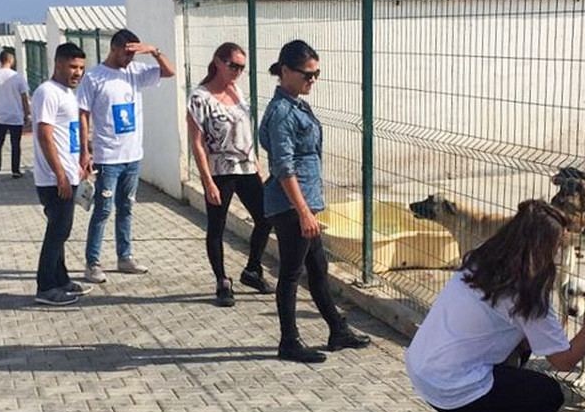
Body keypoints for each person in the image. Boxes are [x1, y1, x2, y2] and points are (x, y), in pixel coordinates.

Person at [404, 200, 585, 412]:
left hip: (421, 370)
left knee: (526, 342)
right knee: (549, 395)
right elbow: (564, 361)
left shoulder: (482, 255)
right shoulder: (526, 291)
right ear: (544, 248)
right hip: (450, 390)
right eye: (557, 245)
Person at [258, 40, 371, 363]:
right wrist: (304, 212)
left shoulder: (297, 104)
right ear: (284, 71)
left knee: (318, 267)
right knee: (292, 273)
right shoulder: (282, 112)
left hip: (303, 203)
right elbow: (283, 167)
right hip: (292, 206)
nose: (313, 80)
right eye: (307, 74)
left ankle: (337, 329)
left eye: (316, 73)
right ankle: (289, 342)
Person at [76, 29, 175, 284]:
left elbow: (169, 72)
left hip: (133, 155)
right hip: (108, 157)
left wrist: (154, 51)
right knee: (103, 210)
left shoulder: (135, 72)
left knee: (127, 207)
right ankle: (92, 262)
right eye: (127, 53)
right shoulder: (95, 77)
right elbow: (83, 114)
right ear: (114, 48)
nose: (130, 58)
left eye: (133, 53)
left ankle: (125, 256)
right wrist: (84, 151)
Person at [187, 43, 274, 307]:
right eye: (232, 65)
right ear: (217, 62)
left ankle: (252, 269)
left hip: (246, 167)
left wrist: (257, 164)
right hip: (220, 171)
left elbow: (245, 130)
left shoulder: (237, 91)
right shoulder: (200, 97)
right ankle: (222, 281)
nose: (237, 72)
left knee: (266, 217)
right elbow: (197, 142)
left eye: (241, 67)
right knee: (217, 226)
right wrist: (207, 180)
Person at [32, 43, 92, 306]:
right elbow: (44, 134)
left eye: (81, 68)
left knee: (60, 231)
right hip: (54, 179)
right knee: (58, 232)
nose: (77, 72)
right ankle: (46, 287)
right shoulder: (47, 92)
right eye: (72, 67)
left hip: (69, 173)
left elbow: (68, 131)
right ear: (57, 65)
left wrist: (83, 157)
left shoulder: (67, 92)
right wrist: (60, 175)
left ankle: (61, 279)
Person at [0, 49, 31, 181]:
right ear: (10, 60)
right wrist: (27, 114)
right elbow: (24, 97)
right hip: (15, 116)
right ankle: (15, 170)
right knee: (15, 144)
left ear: (0, 60)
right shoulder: (17, 77)